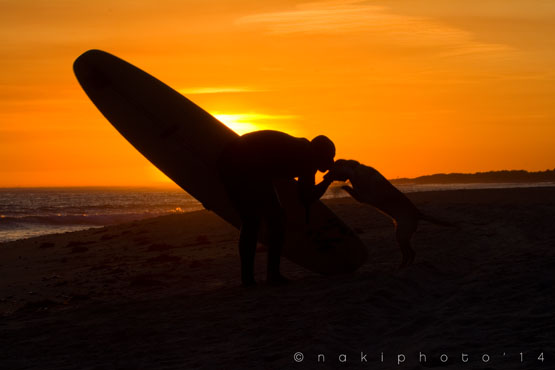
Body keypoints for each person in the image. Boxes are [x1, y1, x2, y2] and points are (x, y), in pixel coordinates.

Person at [218, 130, 336, 286]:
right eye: (329, 157)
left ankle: (251, 278)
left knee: (254, 220)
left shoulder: (304, 150)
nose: (329, 162)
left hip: (236, 160)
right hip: (245, 164)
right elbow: (306, 198)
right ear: (319, 153)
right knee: (270, 220)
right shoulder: (307, 156)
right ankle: (269, 276)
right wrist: (329, 179)